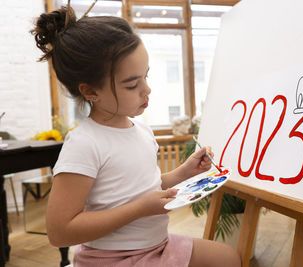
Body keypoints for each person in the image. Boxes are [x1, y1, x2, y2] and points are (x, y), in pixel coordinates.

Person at [31, 3, 241, 267]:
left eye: (146, 76)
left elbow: (143, 188)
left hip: (157, 246)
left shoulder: (141, 130)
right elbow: (59, 232)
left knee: (229, 258)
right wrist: (139, 210)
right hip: (111, 259)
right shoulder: (84, 143)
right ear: (89, 91)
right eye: (132, 84)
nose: (147, 89)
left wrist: (184, 173)